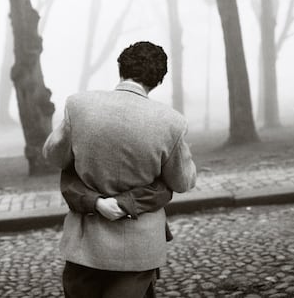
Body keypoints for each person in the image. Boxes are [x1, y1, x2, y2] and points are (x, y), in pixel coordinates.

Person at [43, 41, 196, 298]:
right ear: (159, 80)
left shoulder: (78, 105)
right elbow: (182, 182)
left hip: (85, 242)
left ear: (120, 69)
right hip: (138, 248)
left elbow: (54, 155)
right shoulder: (172, 122)